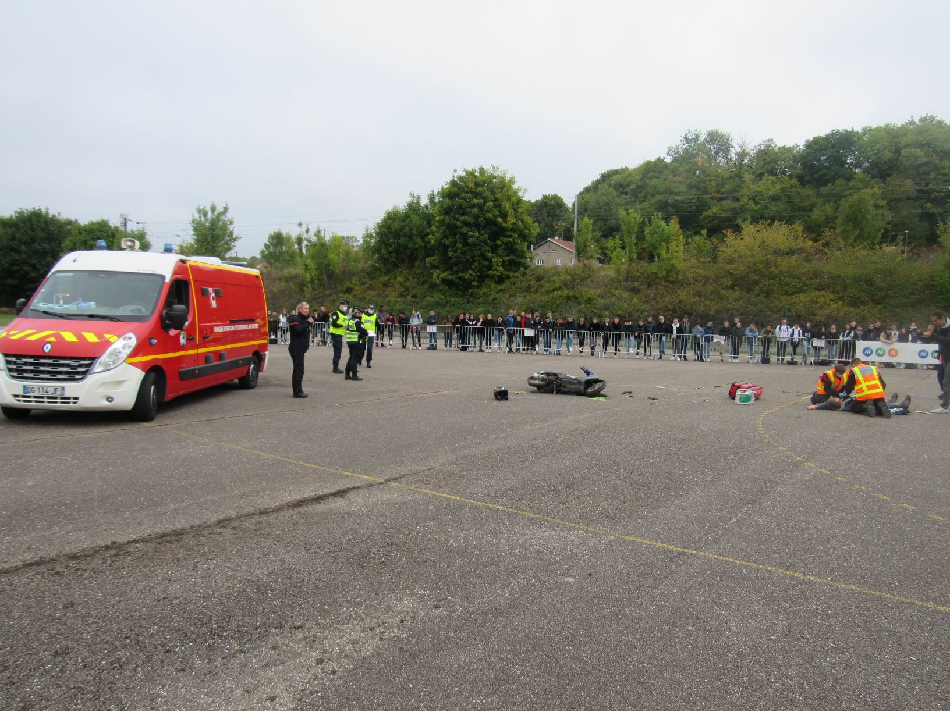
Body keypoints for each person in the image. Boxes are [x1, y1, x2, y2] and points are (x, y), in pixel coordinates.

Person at [918, 309, 950, 413]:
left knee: (946, 382)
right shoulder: (938, 328)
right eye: (933, 321)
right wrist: (921, 335)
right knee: (940, 377)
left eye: (936, 321)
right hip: (945, 357)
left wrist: (933, 335)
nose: (934, 323)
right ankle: (946, 396)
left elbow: (947, 341)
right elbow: (931, 339)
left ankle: (944, 406)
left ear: (943, 319)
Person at [288, 301, 314, 397]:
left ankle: (299, 389)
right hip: (296, 347)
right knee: (299, 369)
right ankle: (297, 391)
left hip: (301, 347)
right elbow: (297, 331)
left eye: (308, 308)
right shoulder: (295, 318)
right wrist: (307, 323)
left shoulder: (306, 318)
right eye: (305, 308)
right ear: (300, 309)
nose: (307, 310)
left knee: (299, 369)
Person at [344, 306, 368, 381]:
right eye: (360, 313)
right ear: (358, 313)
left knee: (351, 357)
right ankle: (354, 374)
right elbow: (362, 331)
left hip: (349, 341)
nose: (361, 315)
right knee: (355, 358)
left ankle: (347, 374)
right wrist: (366, 332)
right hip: (356, 341)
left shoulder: (349, 320)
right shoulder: (357, 321)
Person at [328, 299, 348, 374]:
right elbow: (333, 323)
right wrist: (342, 326)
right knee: (337, 351)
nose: (345, 307)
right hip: (335, 334)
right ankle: (335, 367)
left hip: (340, 335)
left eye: (346, 306)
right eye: (344, 306)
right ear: (341, 305)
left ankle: (336, 366)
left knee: (339, 351)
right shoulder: (336, 313)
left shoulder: (344, 315)